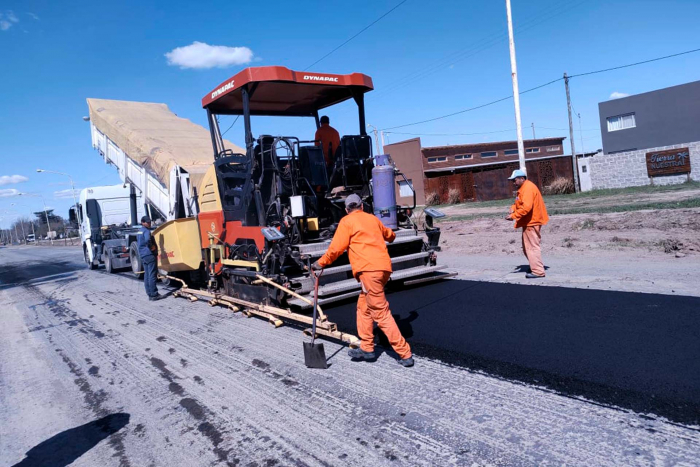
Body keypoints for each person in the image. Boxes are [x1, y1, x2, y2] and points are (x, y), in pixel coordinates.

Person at [312, 194, 414, 367]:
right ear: (362, 206)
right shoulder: (372, 219)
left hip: (369, 271)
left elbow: (336, 248)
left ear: (346, 209)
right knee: (363, 307)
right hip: (383, 270)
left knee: (381, 313)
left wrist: (319, 263)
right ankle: (367, 348)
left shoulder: (347, 221)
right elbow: (390, 235)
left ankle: (405, 354)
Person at [505, 169, 549, 278]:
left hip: (532, 221)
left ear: (522, 178)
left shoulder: (528, 188)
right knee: (527, 247)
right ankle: (535, 266)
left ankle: (538, 271)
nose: (513, 183)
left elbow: (526, 207)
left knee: (532, 247)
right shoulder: (524, 188)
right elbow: (520, 203)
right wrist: (513, 208)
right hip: (529, 221)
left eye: (514, 180)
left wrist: (513, 216)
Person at [137, 216, 162, 301]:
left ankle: (149, 294)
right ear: (142, 222)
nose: (149, 224)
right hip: (149, 255)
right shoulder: (147, 231)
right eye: (147, 222)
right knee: (152, 275)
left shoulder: (140, 231)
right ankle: (154, 294)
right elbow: (148, 240)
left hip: (143, 255)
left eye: (149, 222)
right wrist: (152, 247)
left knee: (147, 275)